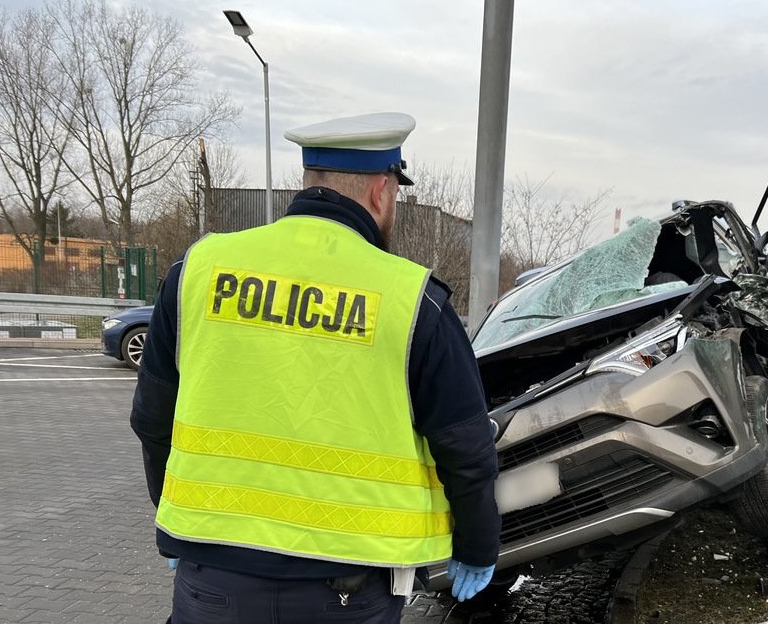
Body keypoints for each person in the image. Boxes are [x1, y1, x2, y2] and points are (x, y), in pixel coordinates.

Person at [130, 112, 501, 623]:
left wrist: (172, 522)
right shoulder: (413, 300)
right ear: (382, 191)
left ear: (309, 182)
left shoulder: (198, 270)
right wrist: (478, 546)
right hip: (348, 591)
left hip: (213, 578)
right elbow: (466, 449)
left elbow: (152, 417)